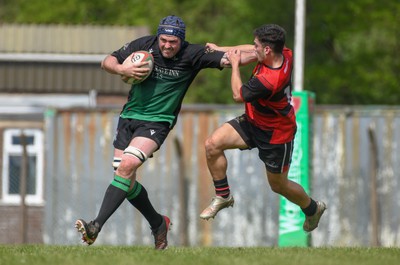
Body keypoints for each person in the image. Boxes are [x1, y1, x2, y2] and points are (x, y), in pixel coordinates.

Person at [74, 15, 253, 250]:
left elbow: (247, 55)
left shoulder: (193, 54)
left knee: (126, 167)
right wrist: (121, 68)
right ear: (158, 36)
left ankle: (95, 226)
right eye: (164, 40)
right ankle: (159, 223)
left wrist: (251, 50)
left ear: (182, 41)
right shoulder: (144, 44)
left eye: (173, 42)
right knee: (123, 180)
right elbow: (106, 61)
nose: (167, 46)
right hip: (128, 117)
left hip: (158, 122)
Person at [199, 24, 327, 233]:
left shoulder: (269, 80)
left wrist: (234, 64)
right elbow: (247, 50)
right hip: (253, 122)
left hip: (276, 134)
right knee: (212, 144)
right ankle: (223, 196)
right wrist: (220, 48)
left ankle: (313, 208)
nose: (254, 48)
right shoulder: (284, 52)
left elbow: (238, 95)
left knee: (278, 185)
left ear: (267, 50)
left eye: (257, 46)